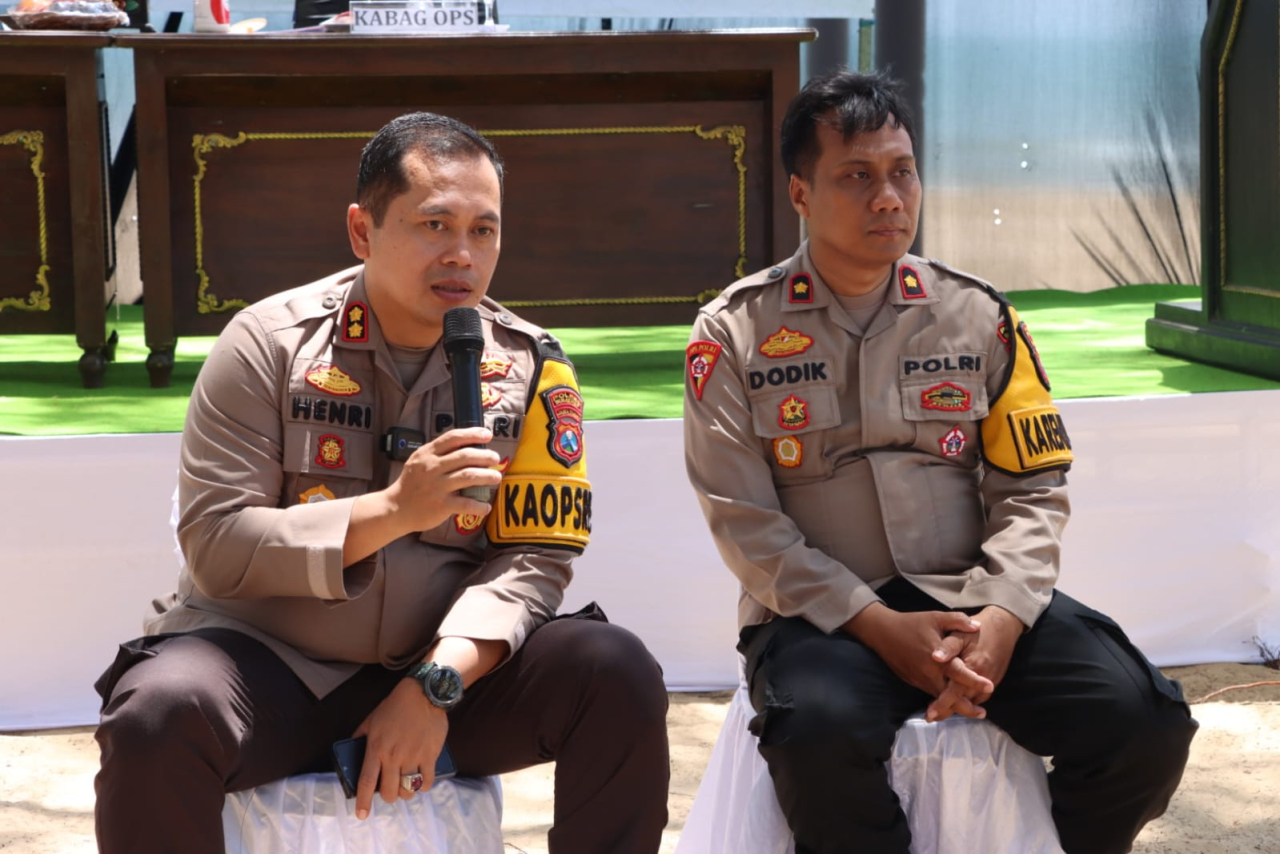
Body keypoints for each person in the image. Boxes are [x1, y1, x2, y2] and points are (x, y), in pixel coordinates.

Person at [93, 112, 670, 854]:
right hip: (269, 666)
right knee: (157, 712)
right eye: (435, 225)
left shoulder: (532, 367)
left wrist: (434, 686)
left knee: (615, 672)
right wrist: (395, 510)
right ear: (362, 231)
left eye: (484, 231)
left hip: (443, 668)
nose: (462, 254)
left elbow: (535, 559)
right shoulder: (266, 345)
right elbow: (216, 543)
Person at [682, 69, 1197, 854]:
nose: (889, 198)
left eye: (903, 172)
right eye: (857, 176)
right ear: (800, 194)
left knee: (1143, 721)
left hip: (970, 598)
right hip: (822, 620)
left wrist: (1002, 617)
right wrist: (877, 624)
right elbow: (743, 521)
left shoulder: (978, 315)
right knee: (816, 737)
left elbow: (1034, 488)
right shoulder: (734, 332)